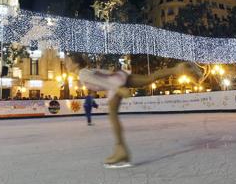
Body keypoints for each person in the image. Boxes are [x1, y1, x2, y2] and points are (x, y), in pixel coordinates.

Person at [70, 56, 201, 168]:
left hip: (115, 83)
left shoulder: (82, 74)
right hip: (120, 76)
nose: (66, 64)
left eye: (68, 62)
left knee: (112, 115)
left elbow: (102, 81)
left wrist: (119, 89)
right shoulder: (86, 71)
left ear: (76, 63)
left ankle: (121, 151)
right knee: (149, 78)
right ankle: (179, 68)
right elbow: (103, 75)